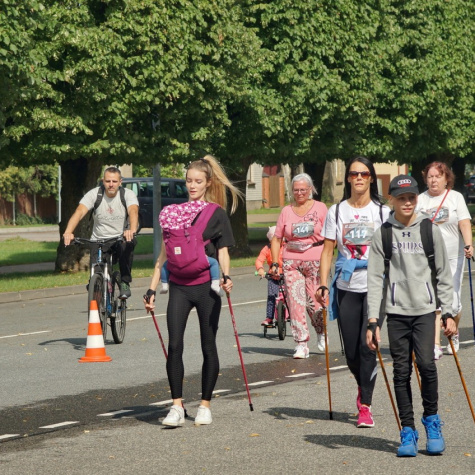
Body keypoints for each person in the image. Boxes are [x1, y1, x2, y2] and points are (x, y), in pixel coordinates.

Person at [143, 154, 240, 427]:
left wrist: (226, 276)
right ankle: (176, 406)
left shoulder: (216, 213)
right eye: (189, 181)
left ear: (208, 183)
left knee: (208, 345)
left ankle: (205, 405)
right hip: (179, 287)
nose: (192, 185)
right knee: (175, 345)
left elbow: (223, 252)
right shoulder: (173, 214)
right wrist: (151, 289)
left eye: (198, 181)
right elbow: (163, 256)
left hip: (207, 287)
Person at [366, 174, 456, 457]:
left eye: (411, 197)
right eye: (401, 198)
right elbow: (374, 280)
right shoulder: (383, 234)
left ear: (417, 198)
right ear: (391, 200)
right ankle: (407, 430)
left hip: (425, 311)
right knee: (401, 371)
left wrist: (447, 311)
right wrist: (373, 321)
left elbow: (443, 274)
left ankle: (432, 422)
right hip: (396, 312)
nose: (407, 202)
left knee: (427, 365)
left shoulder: (430, 230)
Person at [316, 156, 390, 428]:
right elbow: (327, 251)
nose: (359, 178)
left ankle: (366, 406)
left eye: (364, 174)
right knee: (351, 353)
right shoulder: (337, 211)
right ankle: (363, 385)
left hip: (375, 285)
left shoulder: (382, 212)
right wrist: (323, 283)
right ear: (348, 178)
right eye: (354, 173)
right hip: (346, 285)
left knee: (367, 345)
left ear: (371, 178)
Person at [416, 161, 473, 359]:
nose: (434, 180)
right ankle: (435, 344)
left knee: (453, 303)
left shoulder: (455, 197)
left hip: (453, 256)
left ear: (446, 178)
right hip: (428, 258)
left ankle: (453, 330)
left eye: (438, 176)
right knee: (435, 302)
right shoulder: (420, 200)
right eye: (430, 176)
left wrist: (469, 244)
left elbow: (464, 223)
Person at [270, 173, 328, 359]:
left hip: (315, 260)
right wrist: (274, 262)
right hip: (292, 261)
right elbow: (277, 238)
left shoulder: (320, 208)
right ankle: (301, 343)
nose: (300, 193)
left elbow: (330, 236)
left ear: (310, 189)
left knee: (315, 302)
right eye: (296, 190)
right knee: (295, 302)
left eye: (303, 189)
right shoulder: (286, 211)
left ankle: (321, 331)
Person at [63, 166, 139, 298]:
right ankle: (97, 286)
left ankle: (125, 282)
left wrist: (131, 230)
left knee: (127, 244)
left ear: (120, 182)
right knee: (96, 275)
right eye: (108, 181)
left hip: (119, 238)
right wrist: (68, 232)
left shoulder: (127, 194)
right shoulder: (94, 194)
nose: (111, 184)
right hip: (98, 240)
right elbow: (79, 212)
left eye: (114, 181)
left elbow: (133, 211)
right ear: (103, 181)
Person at [255, 226, 284, 326]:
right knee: (271, 297)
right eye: (273, 240)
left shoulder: (286, 247)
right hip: (273, 276)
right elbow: (259, 260)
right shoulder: (267, 248)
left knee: (291, 296)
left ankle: (294, 315)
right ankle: (269, 318)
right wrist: (260, 269)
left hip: (285, 275)